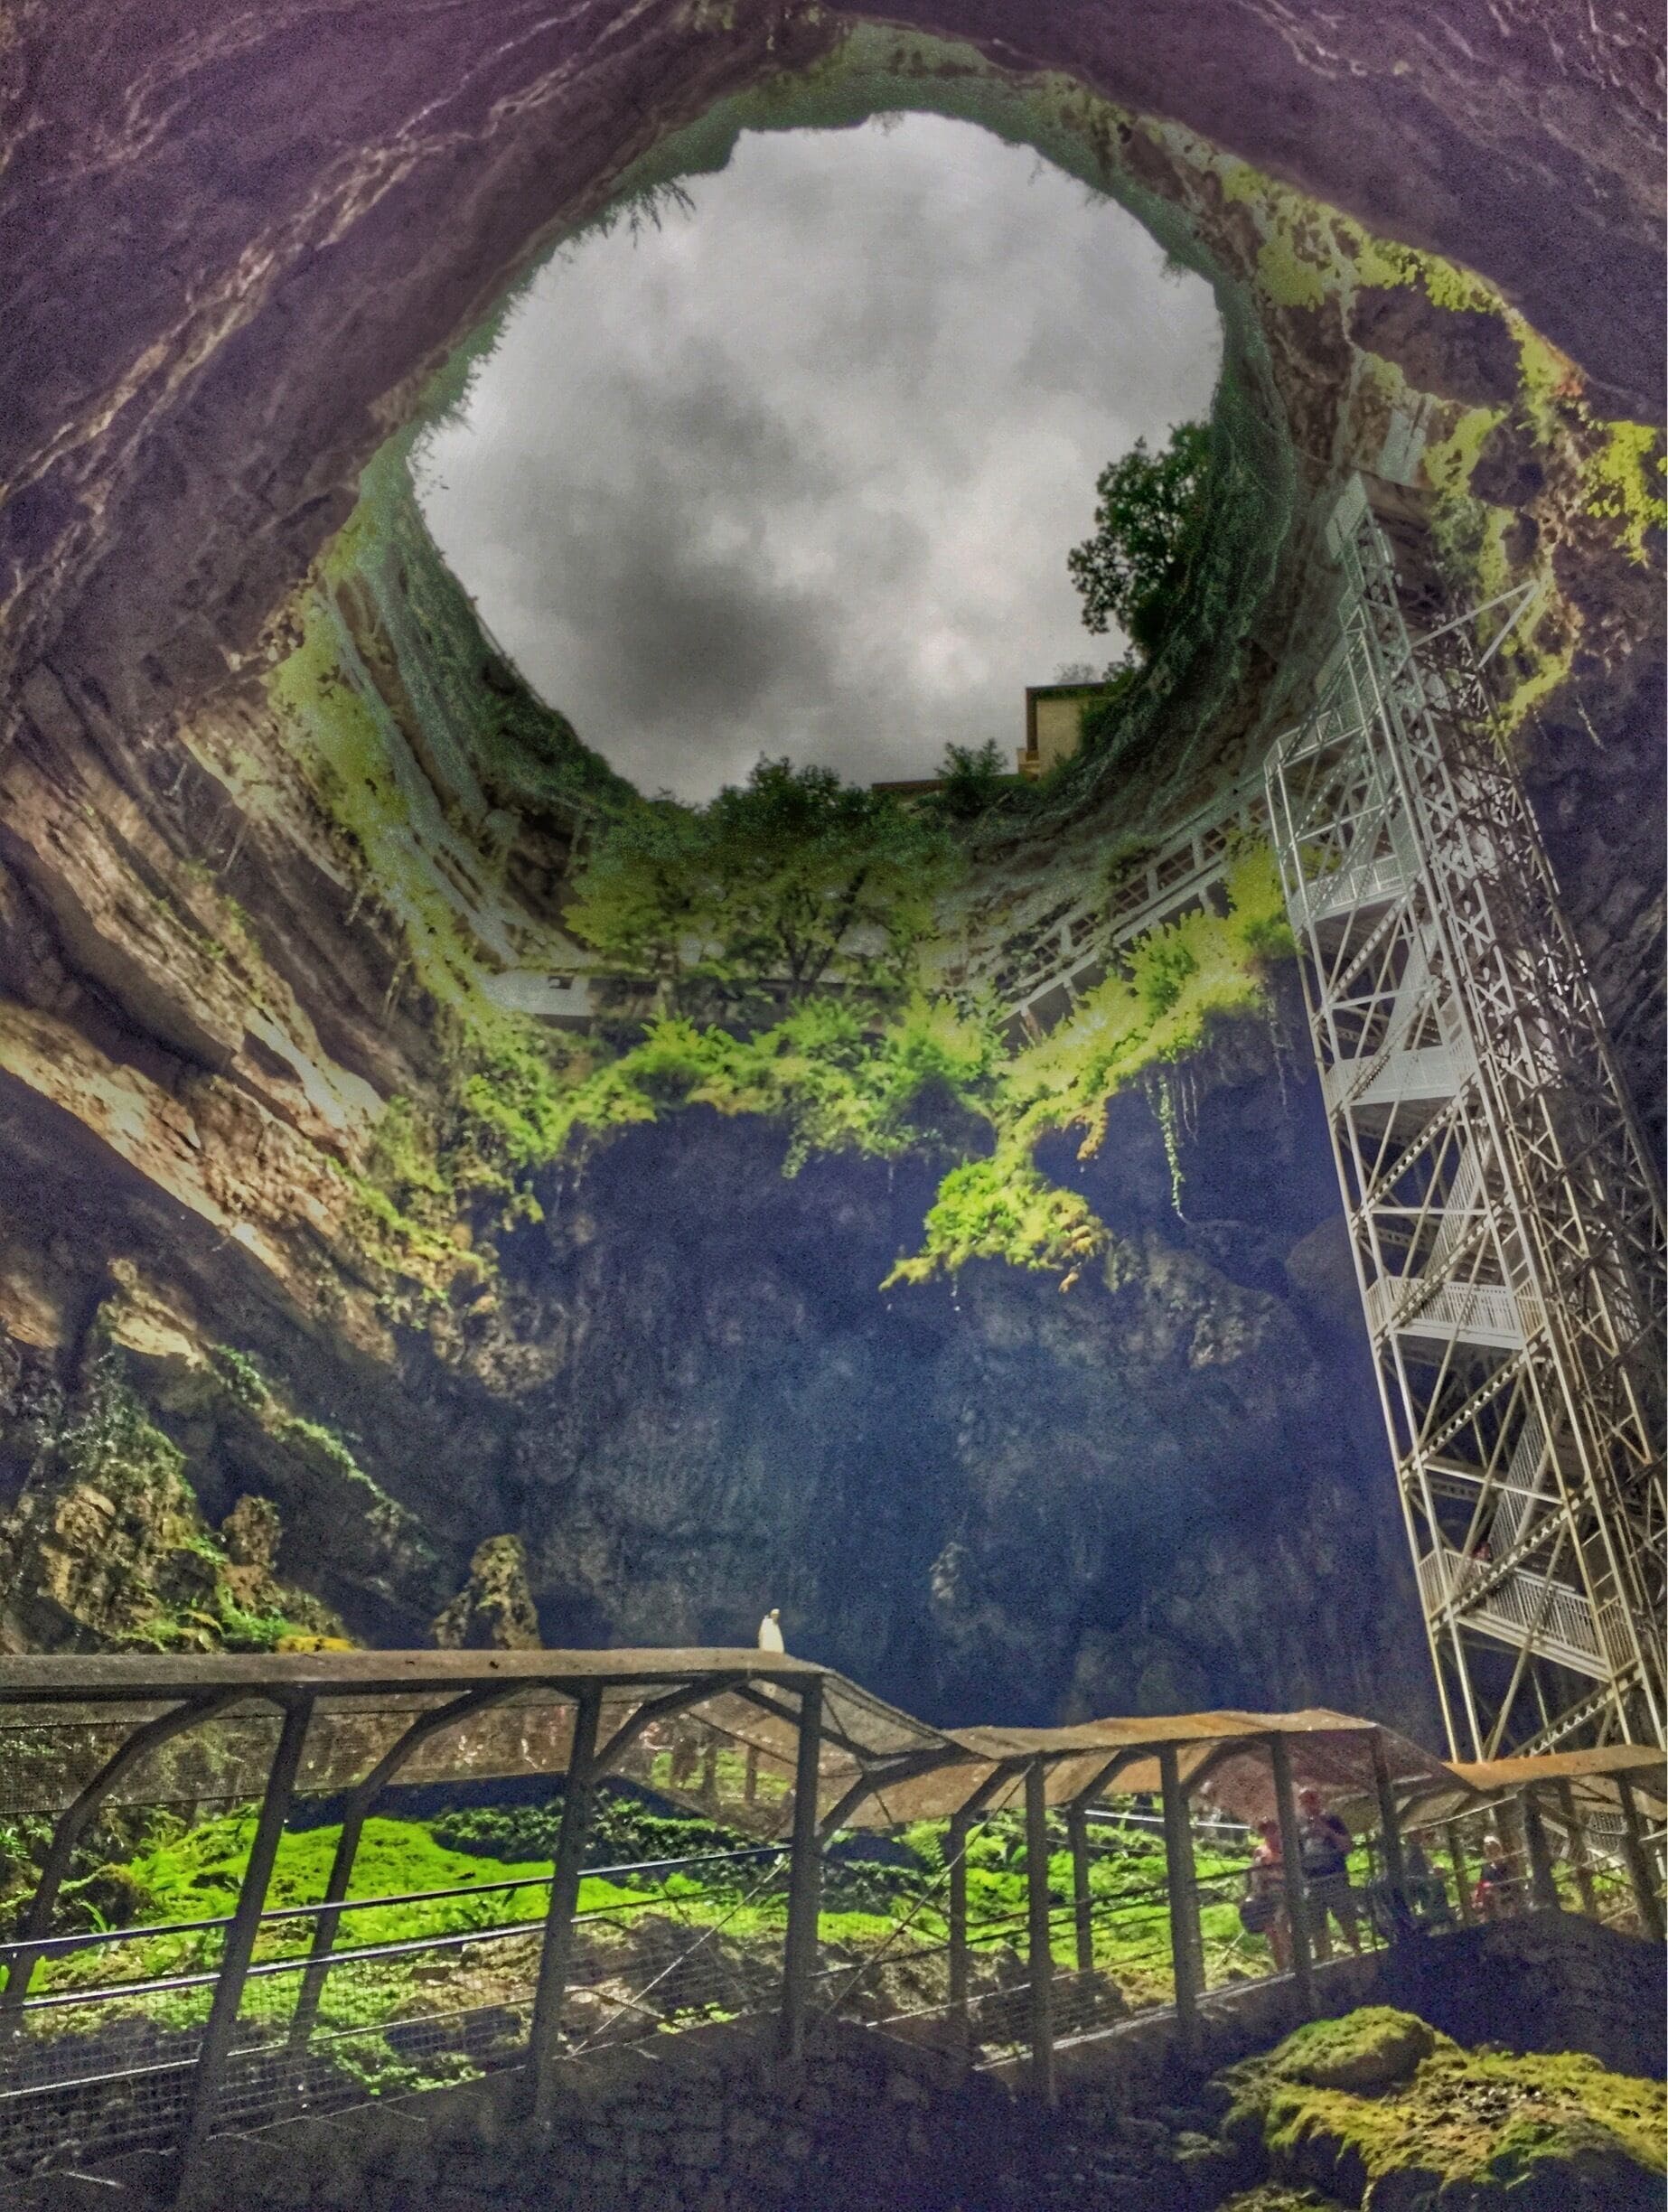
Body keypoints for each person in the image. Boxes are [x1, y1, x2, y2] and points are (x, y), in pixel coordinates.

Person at [1298, 1786, 1363, 1959]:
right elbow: (1295, 1856)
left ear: (1319, 1800)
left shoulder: (1333, 1820)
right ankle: (1324, 1960)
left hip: (1334, 1878)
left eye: (1311, 1799)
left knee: (1346, 1917)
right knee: (1317, 1924)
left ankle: (1357, 1952)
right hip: (1312, 1882)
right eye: (1304, 1801)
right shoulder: (1299, 1826)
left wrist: (1328, 1832)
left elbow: (1348, 1846)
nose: (1308, 1805)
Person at [1241, 1817, 1292, 1972]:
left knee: (1284, 1927)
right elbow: (1254, 1875)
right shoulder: (1260, 1851)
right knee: (1272, 1932)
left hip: (1285, 1891)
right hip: (1266, 1895)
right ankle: (1281, 1968)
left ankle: (1293, 1962)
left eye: (1273, 1830)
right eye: (1266, 1831)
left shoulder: (1286, 1848)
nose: (1271, 1834)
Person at [1473, 1833, 1517, 1922]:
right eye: (1488, 1848)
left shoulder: (1506, 1864)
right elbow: (1482, 1883)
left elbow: (1512, 1880)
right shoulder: (1485, 1867)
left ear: (1498, 1848)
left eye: (1492, 1847)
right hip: (1492, 1902)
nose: (1491, 1850)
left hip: (1507, 1899)